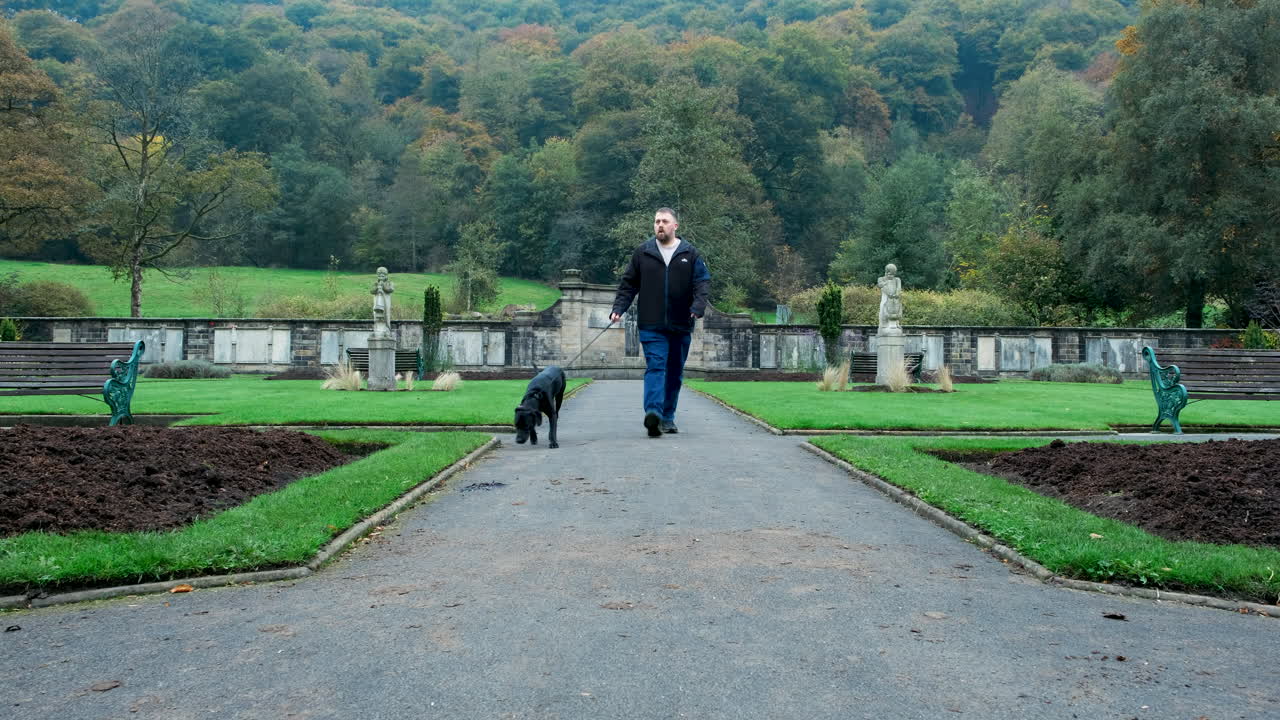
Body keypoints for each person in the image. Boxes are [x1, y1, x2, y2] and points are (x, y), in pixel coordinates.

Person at [611, 208, 711, 437]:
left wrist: (697, 308)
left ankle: (668, 418)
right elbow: (628, 284)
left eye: (664, 221)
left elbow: (702, 284)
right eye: (657, 221)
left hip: (681, 324)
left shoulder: (690, 254)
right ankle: (653, 414)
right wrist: (619, 309)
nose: (660, 225)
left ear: (675, 226)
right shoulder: (643, 253)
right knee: (656, 366)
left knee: (674, 372)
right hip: (651, 324)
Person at [877, 263, 902, 330]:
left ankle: (896, 324)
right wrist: (889, 293)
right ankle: (883, 326)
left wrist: (896, 294)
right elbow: (880, 285)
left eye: (893, 274)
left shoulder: (897, 279)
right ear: (887, 272)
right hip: (886, 298)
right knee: (883, 309)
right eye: (891, 273)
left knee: (896, 310)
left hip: (895, 298)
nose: (892, 275)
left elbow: (899, 288)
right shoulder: (881, 279)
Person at [372, 266, 394, 337]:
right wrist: (377, 288)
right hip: (377, 302)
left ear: (386, 276)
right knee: (376, 315)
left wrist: (383, 285)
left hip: (385, 302)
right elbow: (371, 291)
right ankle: (376, 329)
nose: (381, 277)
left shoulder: (389, 283)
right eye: (379, 275)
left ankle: (387, 329)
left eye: (383, 275)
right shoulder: (376, 283)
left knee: (386, 314)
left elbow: (391, 289)